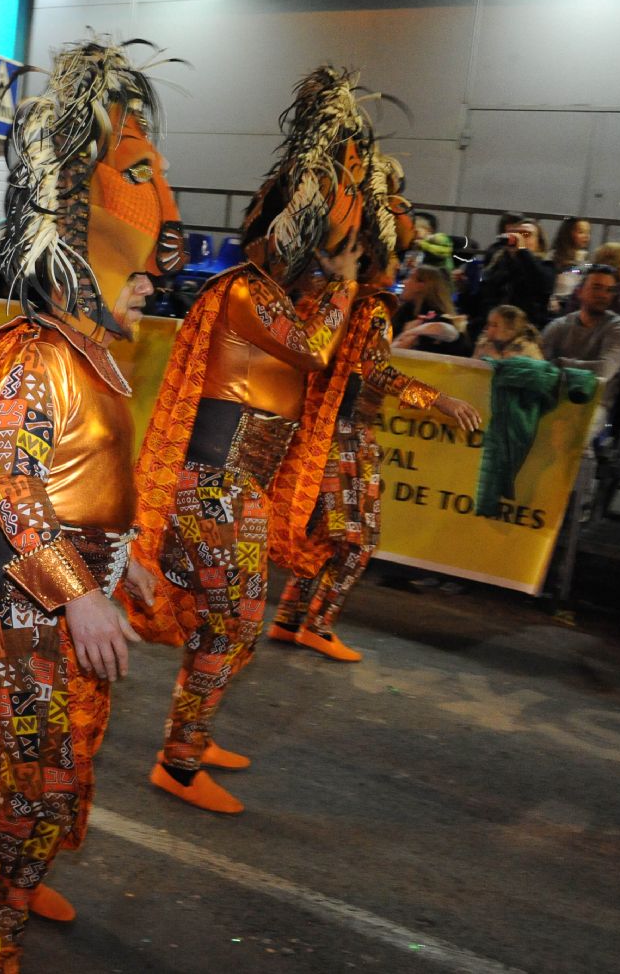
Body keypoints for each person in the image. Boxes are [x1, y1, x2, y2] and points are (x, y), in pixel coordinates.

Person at [0, 38, 184, 974]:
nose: (155, 281)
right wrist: (79, 593)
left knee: (64, 766)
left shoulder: (96, 357)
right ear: (87, 259)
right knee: (34, 782)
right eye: (141, 270)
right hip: (27, 617)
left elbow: (94, 487)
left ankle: (22, 879)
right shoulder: (35, 357)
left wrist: (128, 566)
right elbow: (13, 488)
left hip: (73, 599)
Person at [125, 67, 377, 816]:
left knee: (234, 624)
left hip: (243, 488)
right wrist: (343, 281)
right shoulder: (241, 293)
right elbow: (315, 349)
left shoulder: (271, 295)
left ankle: (188, 739)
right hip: (214, 483)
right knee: (232, 619)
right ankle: (178, 758)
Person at [267, 154, 482, 662]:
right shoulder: (370, 306)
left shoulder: (329, 297)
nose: (406, 266)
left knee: (325, 533)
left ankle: (290, 619)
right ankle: (316, 624)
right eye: (400, 257)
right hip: (344, 435)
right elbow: (376, 373)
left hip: (321, 431)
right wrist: (440, 400)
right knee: (360, 540)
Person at [540, 265, 620, 439]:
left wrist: (560, 363)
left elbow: (604, 371)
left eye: (609, 290)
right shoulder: (559, 326)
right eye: (597, 287)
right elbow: (540, 366)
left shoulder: (619, 328)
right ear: (580, 291)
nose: (603, 295)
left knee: (570, 434)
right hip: (554, 395)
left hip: (593, 402)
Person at [476, 216, 555, 328]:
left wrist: (523, 251)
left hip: (526, 327)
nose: (520, 238)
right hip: (495, 325)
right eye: (516, 234)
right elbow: (485, 295)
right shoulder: (499, 262)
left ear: (539, 243)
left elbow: (543, 286)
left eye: (526, 235)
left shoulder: (546, 265)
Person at [393, 264, 472, 356]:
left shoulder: (438, 316)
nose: (404, 282)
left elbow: (449, 332)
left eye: (410, 277)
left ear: (421, 285)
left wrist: (412, 331)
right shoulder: (404, 311)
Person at [548, 216, 591, 316]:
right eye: (581, 232)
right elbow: (547, 281)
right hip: (557, 305)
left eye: (588, 232)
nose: (586, 236)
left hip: (577, 306)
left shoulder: (587, 260)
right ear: (568, 233)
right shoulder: (553, 256)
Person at [472, 304, 544, 360]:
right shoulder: (484, 344)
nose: (486, 328)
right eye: (488, 323)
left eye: (494, 325)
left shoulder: (528, 349)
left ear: (511, 329)